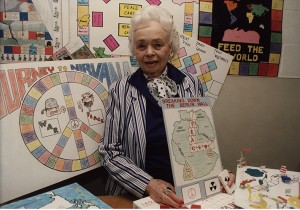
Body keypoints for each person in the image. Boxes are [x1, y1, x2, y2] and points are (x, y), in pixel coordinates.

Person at [99, 5, 235, 208]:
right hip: (133, 195)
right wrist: (148, 184)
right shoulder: (119, 90)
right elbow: (109, 152)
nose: (149, 53)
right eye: (141, 46)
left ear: (170, 47)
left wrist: (217, 175)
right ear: (134, 49)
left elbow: (202, 142)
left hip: (184, 194)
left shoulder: (191, 84)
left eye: (158, 44)